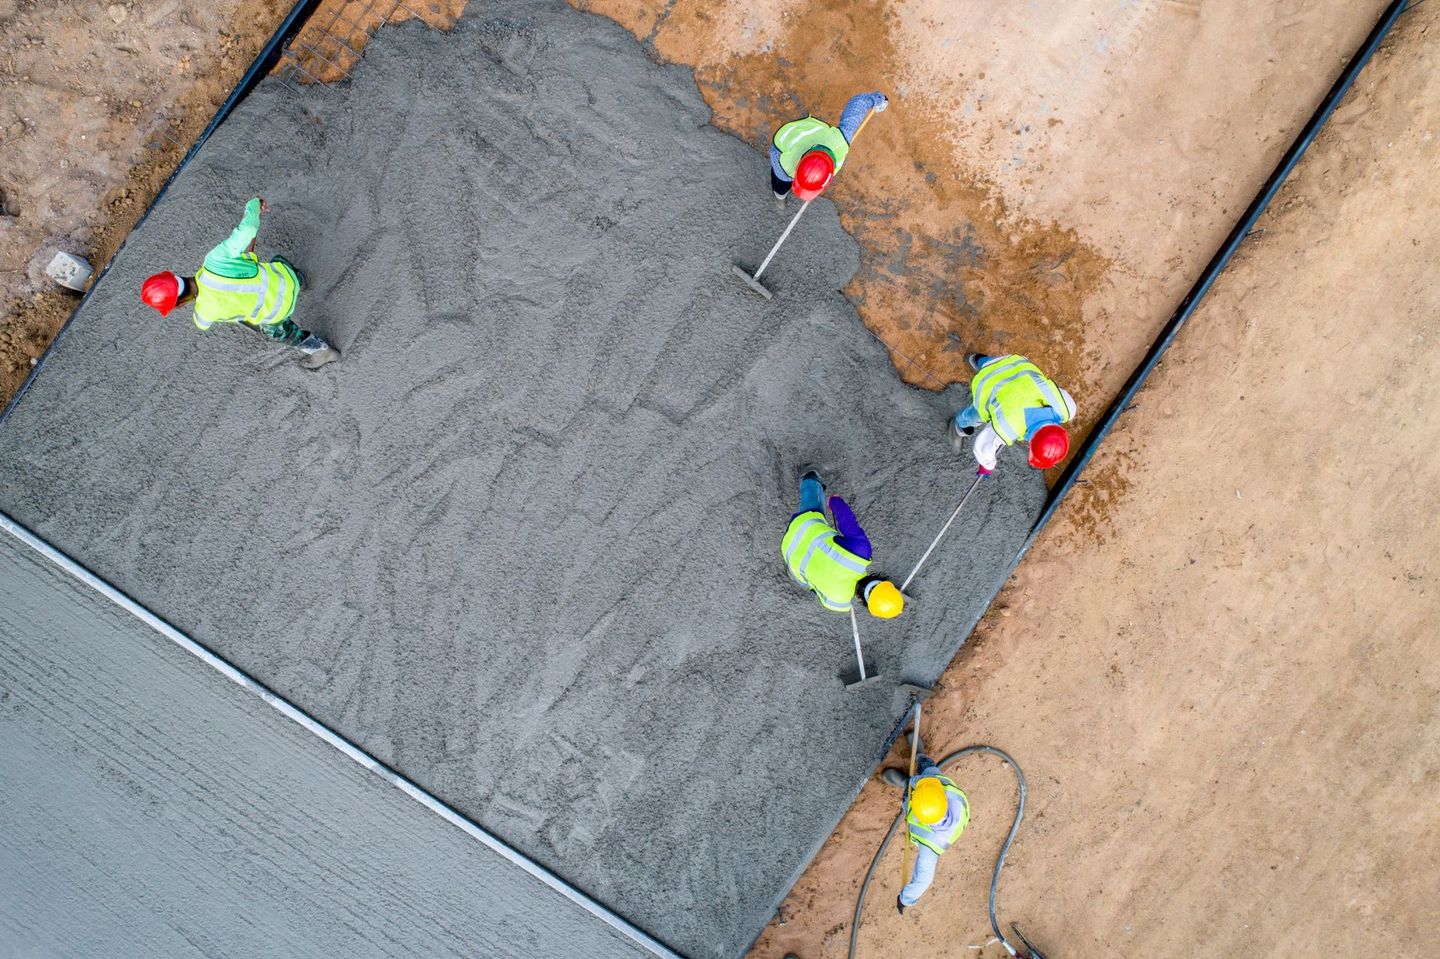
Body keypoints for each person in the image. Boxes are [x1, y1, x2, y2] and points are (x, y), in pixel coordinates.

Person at [140, 197, 340, 370]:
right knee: (277, 262)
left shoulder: (204, 315)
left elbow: (204, 323)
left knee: (278, 331)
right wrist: (254, 205)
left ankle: (322, 351)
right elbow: (249, 228)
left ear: (179, 304)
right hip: (286, 281)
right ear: (176, 276)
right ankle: (300, 281)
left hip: (277, 313)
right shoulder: (214, 260)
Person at [781, 467, 904, 618]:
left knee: (812, 492)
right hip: (790, 555)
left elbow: (846, 520)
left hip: (803, 527)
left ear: (882, 581)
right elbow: (815, 589)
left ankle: (810, 479)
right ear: (864, 602)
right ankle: (790, 572)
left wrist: (834, 501)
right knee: (804, 581)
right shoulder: (838, 603)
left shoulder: (861, 552)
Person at [949, 352, 1075, 473]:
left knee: (991, 363)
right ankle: (959, 426)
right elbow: (983, 448)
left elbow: (1052, 390)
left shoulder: (1067, 408)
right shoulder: (1008, 428)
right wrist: (987, 466)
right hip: (987, 385)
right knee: (976, 415)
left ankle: (975, 358)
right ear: (1032, 443)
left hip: (1014, 364)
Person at [770, 91, 888, 206]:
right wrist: (876, 99)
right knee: (781, 181)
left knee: (782, 180)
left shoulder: (841, 140)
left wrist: (876, 100)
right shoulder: (784, 165)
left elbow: (859, 104)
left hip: (807, 129)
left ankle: (780, 195)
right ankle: (780, 195)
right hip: (785, 137)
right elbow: (774, 152)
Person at [896, 755, 969, 914]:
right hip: (931, 785)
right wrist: (918, 781)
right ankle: (922, 760)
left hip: (922, 796)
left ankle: (904, 785)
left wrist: (905, 899)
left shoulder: (930, 845)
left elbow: (924, 880)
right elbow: (930, 783)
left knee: (909, 797)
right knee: (929, 770)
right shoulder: (946, 791)